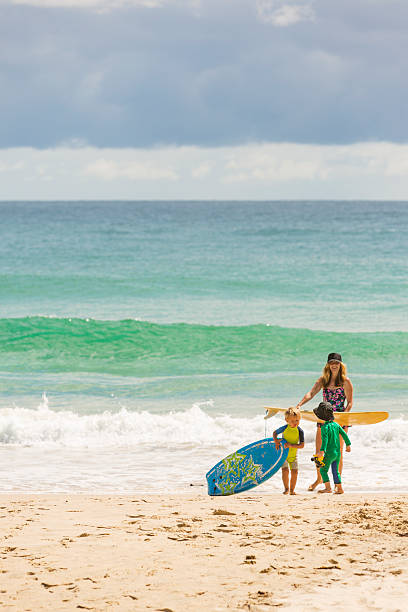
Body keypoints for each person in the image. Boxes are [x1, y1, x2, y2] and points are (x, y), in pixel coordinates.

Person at [296, 352, 353, 491]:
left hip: (339, 420)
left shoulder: (345, 381)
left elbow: (350, 403)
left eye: (337, 363)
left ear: (340, 365)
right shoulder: (323, 380)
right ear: (328, 364)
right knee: (319, 452)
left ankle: (337, 484)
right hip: (323, 419)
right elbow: (311, 393)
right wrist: (300, 404)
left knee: (337, 452)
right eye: (332, 362)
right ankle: (319, 479)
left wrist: (342, 418)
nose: (334, 365)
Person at [313, 401, 351, 494]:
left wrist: (322, 451)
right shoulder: (337, 425)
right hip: (337, 453)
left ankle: (328, 488)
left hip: (329, 453)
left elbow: (325, 441)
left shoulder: (324, 427)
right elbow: (344, 435)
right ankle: (340, 488)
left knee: (323, 470)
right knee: (335, 471)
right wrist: (348, 444)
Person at [273, 406, 304, 495]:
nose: (295, 423)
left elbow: (302, 445)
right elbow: (275, 433)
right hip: (284, 454)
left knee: (295, 472)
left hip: (293, 456)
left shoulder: (300, 431)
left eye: (297, 420)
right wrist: (276, 442)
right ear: (287, 420)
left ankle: (292, 490)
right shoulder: (284, 428)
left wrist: (291, 445)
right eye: (292, 421)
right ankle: (286, 489)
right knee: (285, 471)